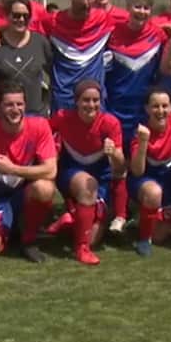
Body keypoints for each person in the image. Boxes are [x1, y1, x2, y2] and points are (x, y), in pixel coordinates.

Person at [0, 83, 58, 263]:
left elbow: (51, 170)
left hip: (22, 195)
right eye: (9, 105)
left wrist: (13, 169)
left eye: (20, 104)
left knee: (45, 188)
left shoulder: (39, 126)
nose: (15, 110)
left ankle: (29, 241)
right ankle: (10, 231)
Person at [104, 0, 167, 232]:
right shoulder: (113, 36)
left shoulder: (158, 35)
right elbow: (105, 72)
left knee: (141, 164)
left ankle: (142, 211)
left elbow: (163, 72)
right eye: (137, 7)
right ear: (128, 8)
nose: (141, 12)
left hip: (144, 113)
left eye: (146, 8)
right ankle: (117, 213)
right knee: (117, 163)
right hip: (117, 111)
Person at [49, 80, 123, 265]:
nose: (91, 105)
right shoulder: (63, 118)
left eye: (95, 100)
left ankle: (72, 217)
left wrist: (114, 153)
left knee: (94, 236)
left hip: (102, 178)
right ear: (76, 101)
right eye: (86, 100)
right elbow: (44, 135)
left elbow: (121, 168)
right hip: (72, 174)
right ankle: (82, 249)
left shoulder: (110, 123)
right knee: (87, 185)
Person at [40, 0, 117, 113]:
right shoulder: (52, 22)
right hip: (64, 100)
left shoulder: (105, 21)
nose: (85, 2)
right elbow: (20, 29)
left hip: (94, 102)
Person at [128, 90, 171, 257]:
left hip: (170, 179)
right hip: (145, 180)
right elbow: (137, 171)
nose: (161, 111)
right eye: (155, 106)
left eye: (164, 106)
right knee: (154, 193)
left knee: (161, 236)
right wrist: (143, 143)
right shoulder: (140, 132)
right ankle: (144, 238)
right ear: (147, 109)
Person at [0, 0, 53, 116]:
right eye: (16, 15)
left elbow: (54, 74)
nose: (21, 19)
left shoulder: (40, 42)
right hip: (2, 118)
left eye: (25, 16)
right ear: (7, 16)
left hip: (35, 115)